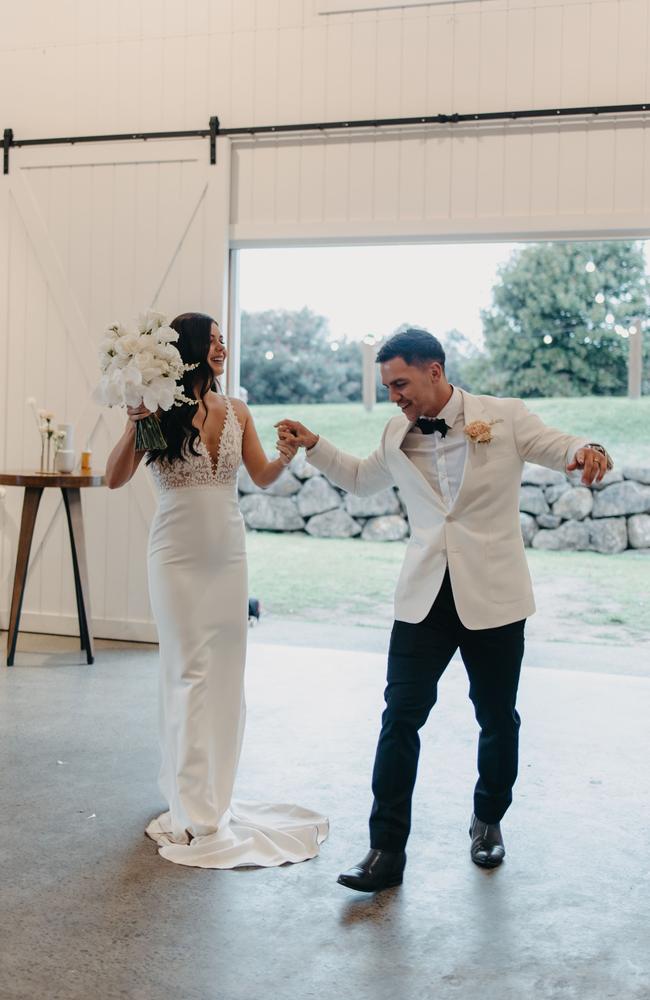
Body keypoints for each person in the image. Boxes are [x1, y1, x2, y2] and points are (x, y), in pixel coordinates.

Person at [277, 327, 611, 892]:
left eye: (401, 383)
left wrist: (588, 450)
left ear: (435, 371)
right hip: (424, 598)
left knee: (496, 717)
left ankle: (488, 820)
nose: (395, 397)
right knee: (399, 717)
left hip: (495, 596)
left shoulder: (501, 417)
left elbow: (560, 446)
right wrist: (315, 444)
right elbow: (360, 481)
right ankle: (385, 850)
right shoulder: (395, 430)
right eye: (387, 387)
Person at [106, 312, 328, 868]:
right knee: (187, 673)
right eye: (213, 340)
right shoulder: (157, 411)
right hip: (174, 554)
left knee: (226, 674)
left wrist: (286, 453)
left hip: (228, 554)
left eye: (223, 340)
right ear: (188, 351)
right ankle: (188, 808)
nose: (222, 348)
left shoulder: (238, 412)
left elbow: (260, 476)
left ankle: (215, 804)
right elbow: (114, 478)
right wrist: (134, 423)